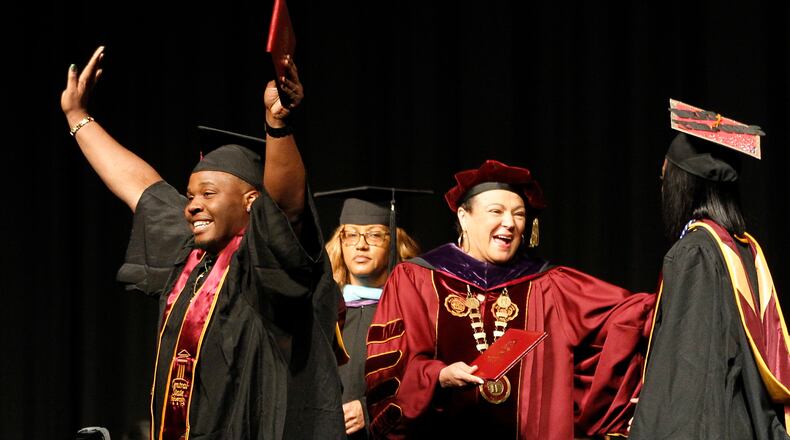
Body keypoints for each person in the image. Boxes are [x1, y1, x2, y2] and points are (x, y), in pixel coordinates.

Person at [61, 46, 345, 439]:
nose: (192, 206)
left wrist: (277, 124)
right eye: (191, 195)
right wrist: (78, 117)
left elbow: (287, 207)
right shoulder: (191, 254)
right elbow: (141, 187)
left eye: (208, 194)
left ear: (250, 202)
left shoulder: (264, 260)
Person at [364, 159, 656, 439]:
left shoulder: (550, 285)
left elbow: (631, 314)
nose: (510, 223)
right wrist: (438, 376)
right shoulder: (417, 278)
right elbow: (391, 371)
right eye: (496, 211)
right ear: (464, 217)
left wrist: (684, 285)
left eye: (519, 214)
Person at [630, 104, 789, 439]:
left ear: (683, 185)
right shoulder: (744, 249)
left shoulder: (696, 253)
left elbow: (686, 378)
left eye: (665, 178)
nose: (662, 189)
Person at [318, 187, 425, 438]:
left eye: (375, 235)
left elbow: (423, 381)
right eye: (351, 235)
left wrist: (369, 410)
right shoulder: (324, 310)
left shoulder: (412, 312)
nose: (361, 245)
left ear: (395, 244)